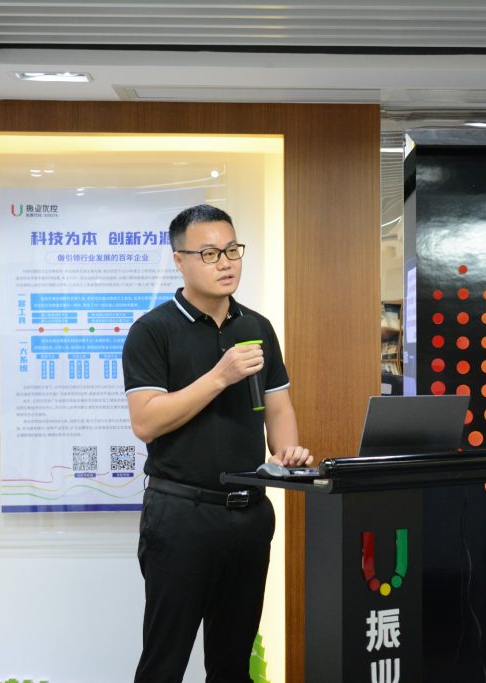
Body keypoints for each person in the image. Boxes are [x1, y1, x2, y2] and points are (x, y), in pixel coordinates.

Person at [122, 204, 312, 682]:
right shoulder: (152, 331)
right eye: (209, 253)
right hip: (181, 515)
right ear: (179, 260)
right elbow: (145, 421)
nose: (225, 263)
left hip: (250, 513)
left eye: (232, 250)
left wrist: (286, 453)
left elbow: (279, 408)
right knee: (164, 664)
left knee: (232, 665)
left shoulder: (257, 327)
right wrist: (219, 376)